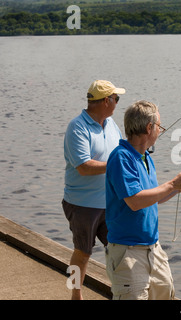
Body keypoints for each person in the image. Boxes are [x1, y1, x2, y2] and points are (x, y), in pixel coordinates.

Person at [105, 100, 181, 300]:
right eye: (159, 126)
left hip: (153, 249)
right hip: (128, 252)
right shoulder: (121, 157)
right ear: (149, 128)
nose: (160, 131)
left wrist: (180, 188)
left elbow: (152, 197)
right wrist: (172, 184)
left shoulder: (145, 157)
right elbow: (135, 201)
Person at [62, 80, 126, 300]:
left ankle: (122, 292)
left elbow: (121, 152)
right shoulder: (77, 127)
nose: (118, 103)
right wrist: (116, 165)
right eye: (116, 99)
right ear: (106, 101)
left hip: (110, 203)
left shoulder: (112, 124)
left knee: (121, 250)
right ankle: (75, 294)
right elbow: (84, 167)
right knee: (82, 253)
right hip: (82, 204)